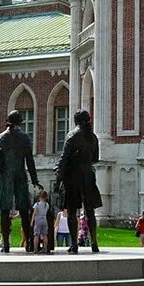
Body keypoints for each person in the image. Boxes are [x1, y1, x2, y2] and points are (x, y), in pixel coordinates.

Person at [0, 110, 43, 253]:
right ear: (20, 122)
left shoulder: (1, 137)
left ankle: (6, 244)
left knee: (5, 212)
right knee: (24, 211)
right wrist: (35, 179)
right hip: (20, 176)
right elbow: (30, 161)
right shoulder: (24, 138)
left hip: (5, 177)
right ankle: (29, 243)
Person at [52, 109, 103, 254]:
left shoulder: (72, 135)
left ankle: (74, 244)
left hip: (73, 175)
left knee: (72, 210)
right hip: (88, 175)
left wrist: (58, 177)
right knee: (90, 211)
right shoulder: (93, 137)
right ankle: (94, 243)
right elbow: (95, 159)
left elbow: (64, 158)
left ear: (76, 121)